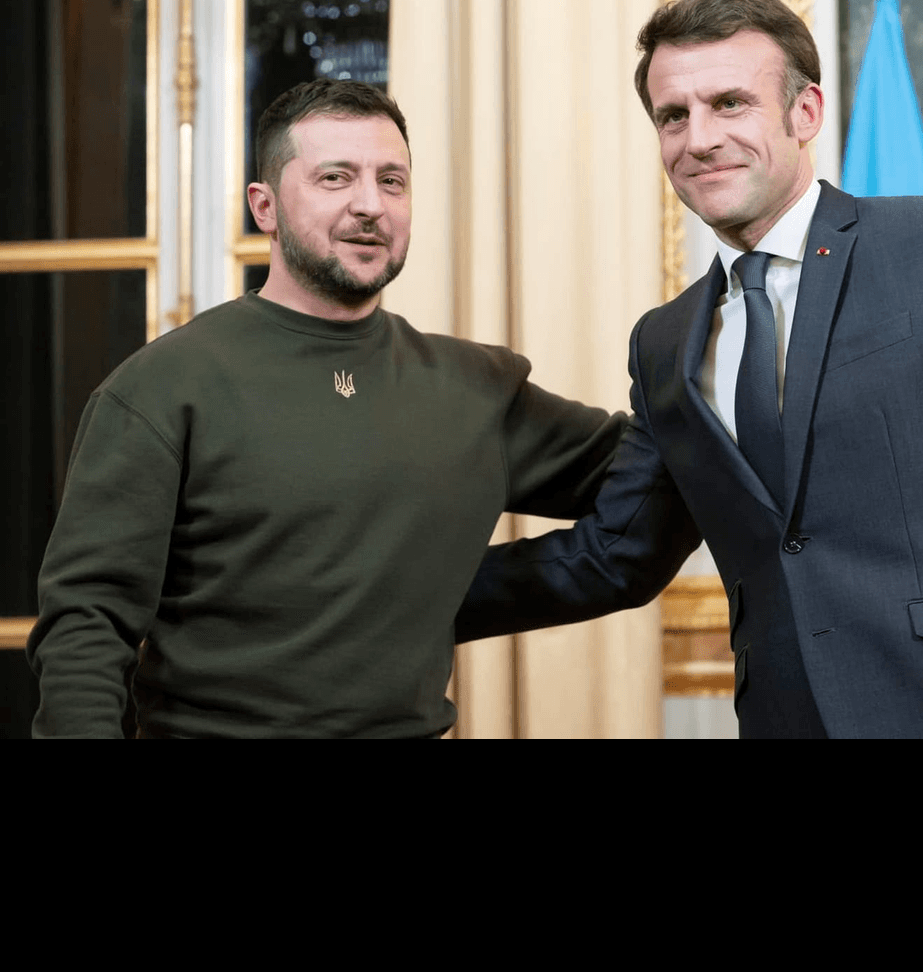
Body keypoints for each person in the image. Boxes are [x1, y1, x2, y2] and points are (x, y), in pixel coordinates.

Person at [457, 0, 923, 738]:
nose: (698, 139)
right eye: (674, 116)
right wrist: (394, 599)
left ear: (805, 113)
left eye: (730, 103)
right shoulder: (664, 342)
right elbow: (616, 554)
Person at [27, 79, 689, 738]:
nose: (370, 205)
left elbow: (666, 476)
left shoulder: (476, 387)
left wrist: (457, 594)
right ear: (265, 206)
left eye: (391, 181)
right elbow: (87, 624)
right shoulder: (160, 388)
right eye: (335, 178)